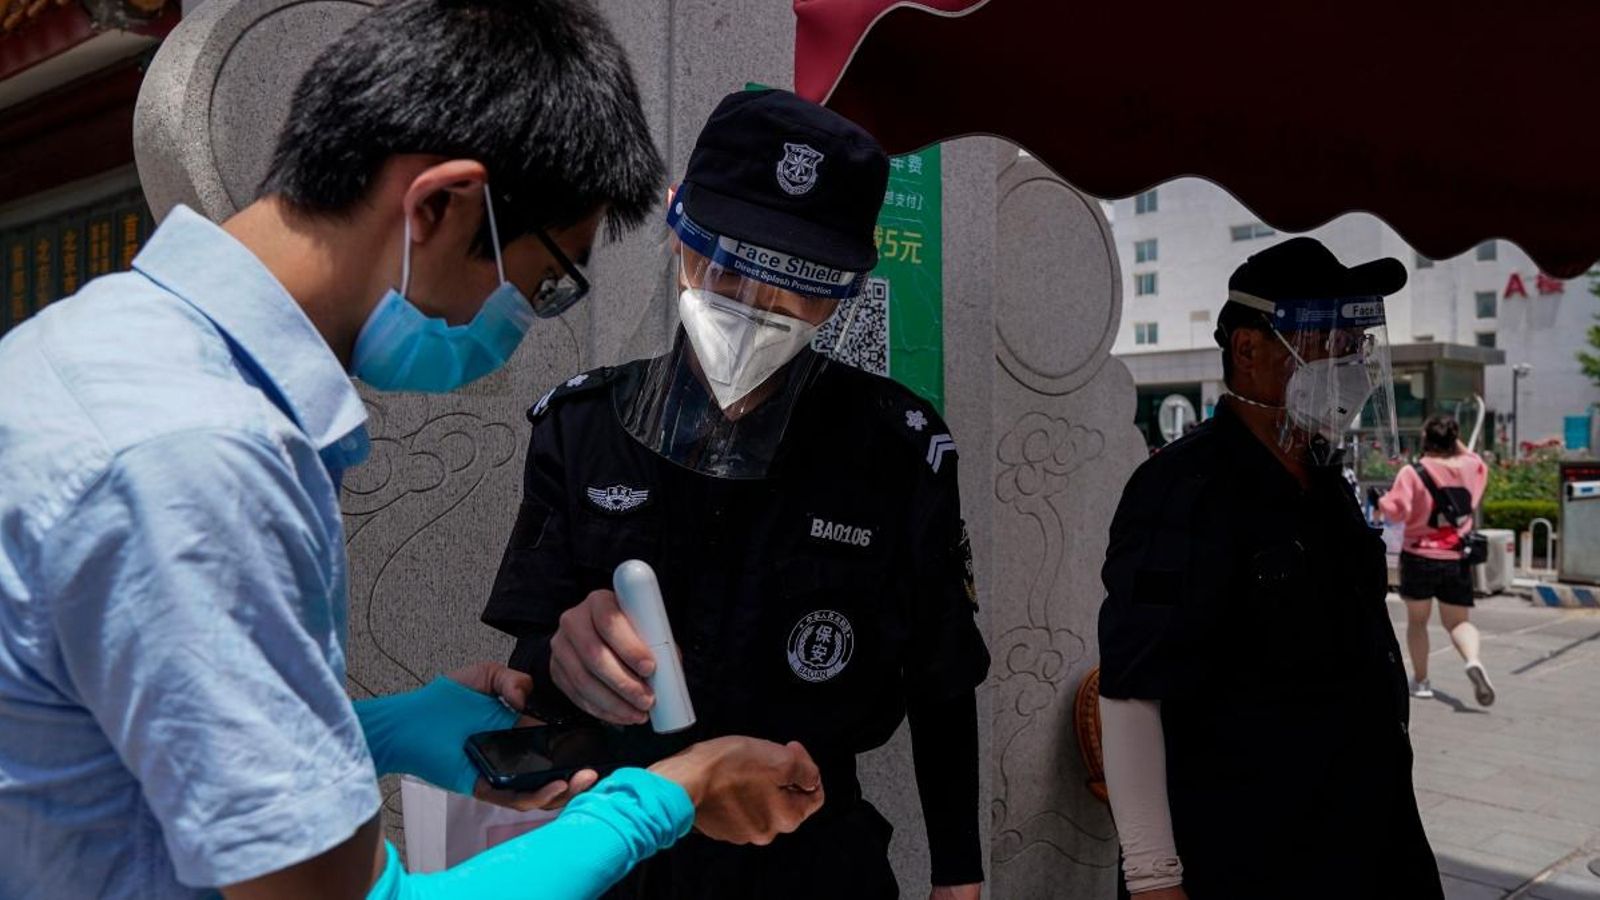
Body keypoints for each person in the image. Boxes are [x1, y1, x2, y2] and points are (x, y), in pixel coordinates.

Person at [0, 2, 826, 897]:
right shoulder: (205, 463)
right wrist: (666, 794)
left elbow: (113, 747)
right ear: (439, 203)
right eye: (545, 282)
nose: (515, 323)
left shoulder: (82, 347)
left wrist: (380, 728)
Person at [483, 89, 991, 900]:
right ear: (678, 228)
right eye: (727, 263)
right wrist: (564, 663)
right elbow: (530, 661)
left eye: (797, 284)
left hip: (810, 854)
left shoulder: (898, 451)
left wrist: (958, 879)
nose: (752, 304)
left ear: (843, 293)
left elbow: (943, 678)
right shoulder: (584, 429)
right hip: (620, 841)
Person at [1096, 237, 1443, 900]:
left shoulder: (1323, 475)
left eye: (1355, 344)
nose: (1349, 364)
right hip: (1250, 851)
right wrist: (1152, 875)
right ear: (1250, 349)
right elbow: (1133, 688)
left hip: (1369, 837)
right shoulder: (1181, 489)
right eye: (1326, 342)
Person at [1376, 416, 1494, 704]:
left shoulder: (1412, 472)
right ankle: (1472, 660)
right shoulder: (1470, 468)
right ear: (1454, 440)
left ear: (1426, 439)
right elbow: (1475, 458)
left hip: (1418, 556)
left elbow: (1394, 511)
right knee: (1457, 623)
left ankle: (1422, 681)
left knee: (1418, 622)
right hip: (1456, 557)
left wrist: (1379, 503)